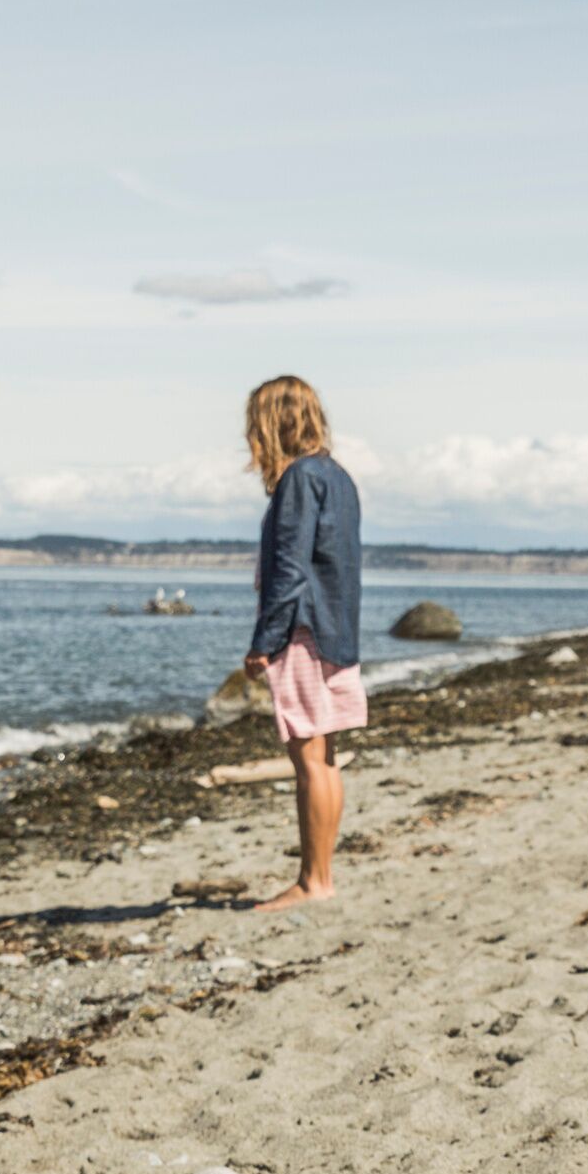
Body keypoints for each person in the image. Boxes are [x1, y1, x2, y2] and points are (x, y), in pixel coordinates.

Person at [241, 373, 364, 911]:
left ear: (274, 424)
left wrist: (264, 641)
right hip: (337, 629)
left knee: (309, 758)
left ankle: (314, 882)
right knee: (325, 756)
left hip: (304, 631)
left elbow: (290, 569)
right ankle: (322, 878)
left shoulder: (298, 479)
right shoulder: (337, 476)